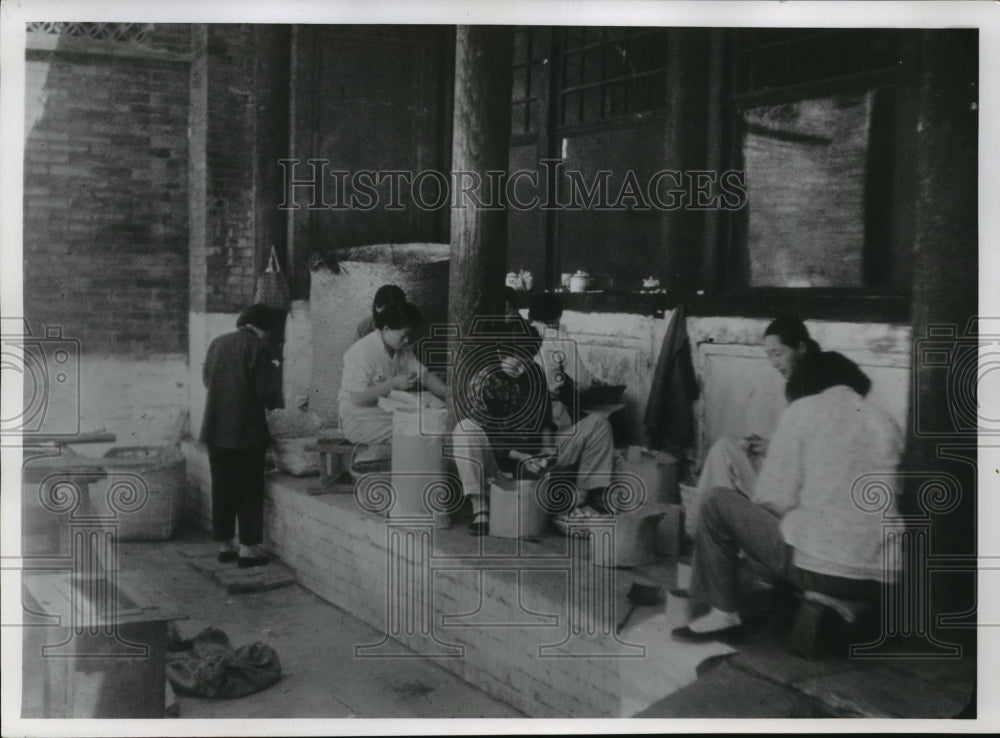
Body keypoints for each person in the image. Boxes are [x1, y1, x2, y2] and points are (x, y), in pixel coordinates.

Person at [672, 350, 904, 642]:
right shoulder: (886, 422)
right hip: (883, 576)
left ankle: (723, 614)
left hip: (822, 570)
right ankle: (838, 603)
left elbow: (773, 498)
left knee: (718, 503)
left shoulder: (803, 411)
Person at [451, 317, 615, 535]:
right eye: (515, 360)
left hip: (535, 457)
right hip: (500, 463)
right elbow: (490, 434)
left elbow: (545, 419)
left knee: (598, 423)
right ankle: (480, 508)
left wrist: (547, 448)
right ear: (500, 353)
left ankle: (581, 498)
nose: (521, 367)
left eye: (526, 359)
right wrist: (521, 457)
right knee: (464, 429)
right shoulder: (484, 380)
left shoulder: (535, 373)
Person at [691, 315, 821, 507]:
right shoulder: (798, 386)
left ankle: (711, 519)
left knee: (726, 454)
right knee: (726, 448)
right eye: (770, 355)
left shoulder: (822, 390)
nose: (774, 363)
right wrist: (764, 448)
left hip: (801, 498)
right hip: (786, 481)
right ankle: (713, 517)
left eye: (778, 354)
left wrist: (773, 450)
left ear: (801, 348)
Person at [200, 304, 283, 568]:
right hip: (246, 432)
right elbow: (266, 392)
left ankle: (226, 546)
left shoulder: (217, 343)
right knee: (248, 489)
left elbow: (206, 380)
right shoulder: (259, 347)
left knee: (222, 487)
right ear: (265, 327)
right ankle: (248, 549)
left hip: (215, 429)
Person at [339, 301, 447, 445]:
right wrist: (392, 383)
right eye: (404, 335)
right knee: (419, 430)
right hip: (359, 419)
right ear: (386, 329)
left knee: (434, 411)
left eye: (410, 336)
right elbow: (357, 398)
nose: (407, 341)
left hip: (383, 411)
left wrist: (447, 392)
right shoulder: (361, 351)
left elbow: (424, 376)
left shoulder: (401, 349)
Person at [527, 292, 594, 394]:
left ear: (530, 315)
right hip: (552, 405)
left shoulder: (519, 334)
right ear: (558, 316)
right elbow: (583, 383)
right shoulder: (562, 339)